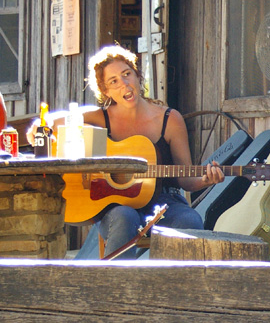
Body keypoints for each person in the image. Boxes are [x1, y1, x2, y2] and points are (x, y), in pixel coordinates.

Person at [34, 45, 225, 259]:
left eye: (127, 75)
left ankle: (176, 288)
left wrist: (206, 180)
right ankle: (116, 289)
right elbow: (46, 122)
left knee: (190, 222)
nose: (124, 84)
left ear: (137, 76)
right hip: (116, 204)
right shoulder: (100, 117)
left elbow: (185, 179)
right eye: (113, 81)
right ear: (105, 91)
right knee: (124, 217)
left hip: (163, 201)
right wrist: (40, 131)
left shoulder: (169, 119)